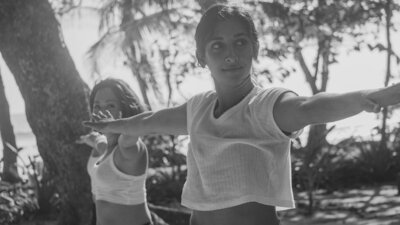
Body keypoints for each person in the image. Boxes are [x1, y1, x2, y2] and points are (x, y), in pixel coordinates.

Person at [83, 4, 400, 225]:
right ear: (201, 57)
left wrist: (371, 97)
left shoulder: (266, 106)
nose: (231, 54)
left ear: (255, 48)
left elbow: (312, 106)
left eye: (240, 42)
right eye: (217, 46)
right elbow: (149, 121)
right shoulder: (198, 108)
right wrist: (113, 124)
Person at [80, 78, 153, 225]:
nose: (102, 111)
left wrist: (113, 126)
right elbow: (100, 144)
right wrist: (93, 140)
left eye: (110, 105)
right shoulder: (104, 145)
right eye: (97, 106)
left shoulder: (129, 146)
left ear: (124, 111)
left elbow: (134, 130)